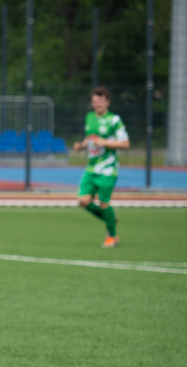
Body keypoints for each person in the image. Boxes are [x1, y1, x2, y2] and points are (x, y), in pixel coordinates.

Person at [73, 86, 130, 248]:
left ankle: (112, 237)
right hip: (91, 168)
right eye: (94, 101)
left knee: (104, 202)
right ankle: (110, 218)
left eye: (100, 101)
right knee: (83, 200)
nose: (97, 104)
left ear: (108, 102)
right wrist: (82, 145)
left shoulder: (114, 120)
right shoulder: (89, 117)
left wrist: (104, 142)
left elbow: (125, 143)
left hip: (108, 169)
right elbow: (91, 137)